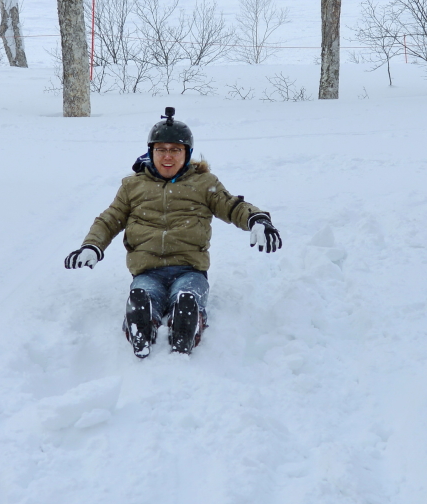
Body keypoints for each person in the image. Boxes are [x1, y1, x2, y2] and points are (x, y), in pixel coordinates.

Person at [64, 106, 282, 357]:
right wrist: (92, 245)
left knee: (187, 295)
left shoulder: (204, 184)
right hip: (147, 270)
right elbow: (109, 219)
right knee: (143, 295)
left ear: (187, 154)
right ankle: (141, 324)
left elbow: (232, 206)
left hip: (189, 268)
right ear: (151, 152)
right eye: (161, 150)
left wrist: (257, 219)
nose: (168, 157)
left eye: (175, 150)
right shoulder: (132, 186)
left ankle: (188, 323)